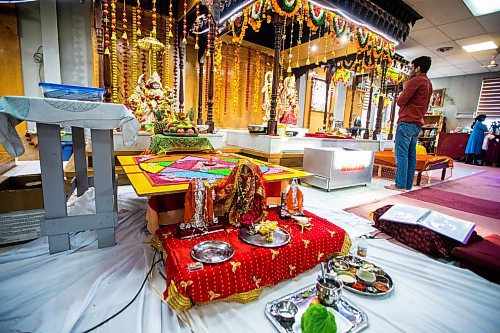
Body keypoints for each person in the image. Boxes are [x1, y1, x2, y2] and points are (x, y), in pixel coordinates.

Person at [385, 56, 433, 191]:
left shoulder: (416, 81)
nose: (409, 71)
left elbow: (400, 101)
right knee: (411, 155)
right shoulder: (428, 83)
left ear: (417, 68)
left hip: (406, 121)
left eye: (411, 68)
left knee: (401, 154)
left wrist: (404, 88)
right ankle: (407, 185)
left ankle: (400, 185)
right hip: (417, 123)